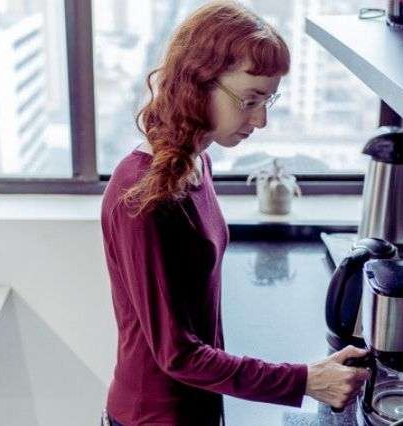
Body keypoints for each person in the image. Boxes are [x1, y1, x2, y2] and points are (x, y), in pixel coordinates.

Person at [100, 2, 370, 425]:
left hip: (198, 404)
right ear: (198, 84)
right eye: (250, 100)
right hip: (153, 415)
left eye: (268, 100)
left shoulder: (195, 162)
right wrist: (305, 380)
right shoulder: (142, 197)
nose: (260, 120)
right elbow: (179, 355)